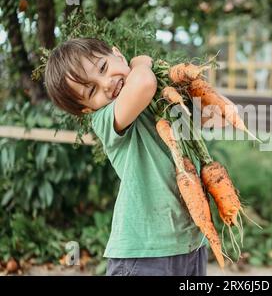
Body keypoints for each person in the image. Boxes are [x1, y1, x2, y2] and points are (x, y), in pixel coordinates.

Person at [45, 37, 213, 276]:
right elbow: (144, 82)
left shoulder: (159, 101)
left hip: (192, 242)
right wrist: (141, 62)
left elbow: (203, 116)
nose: (106, 84)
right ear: (87, 109)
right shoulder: (106, 118)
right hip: (143, 252)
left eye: (103, 68)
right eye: (92, 90)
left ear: (118, 55)